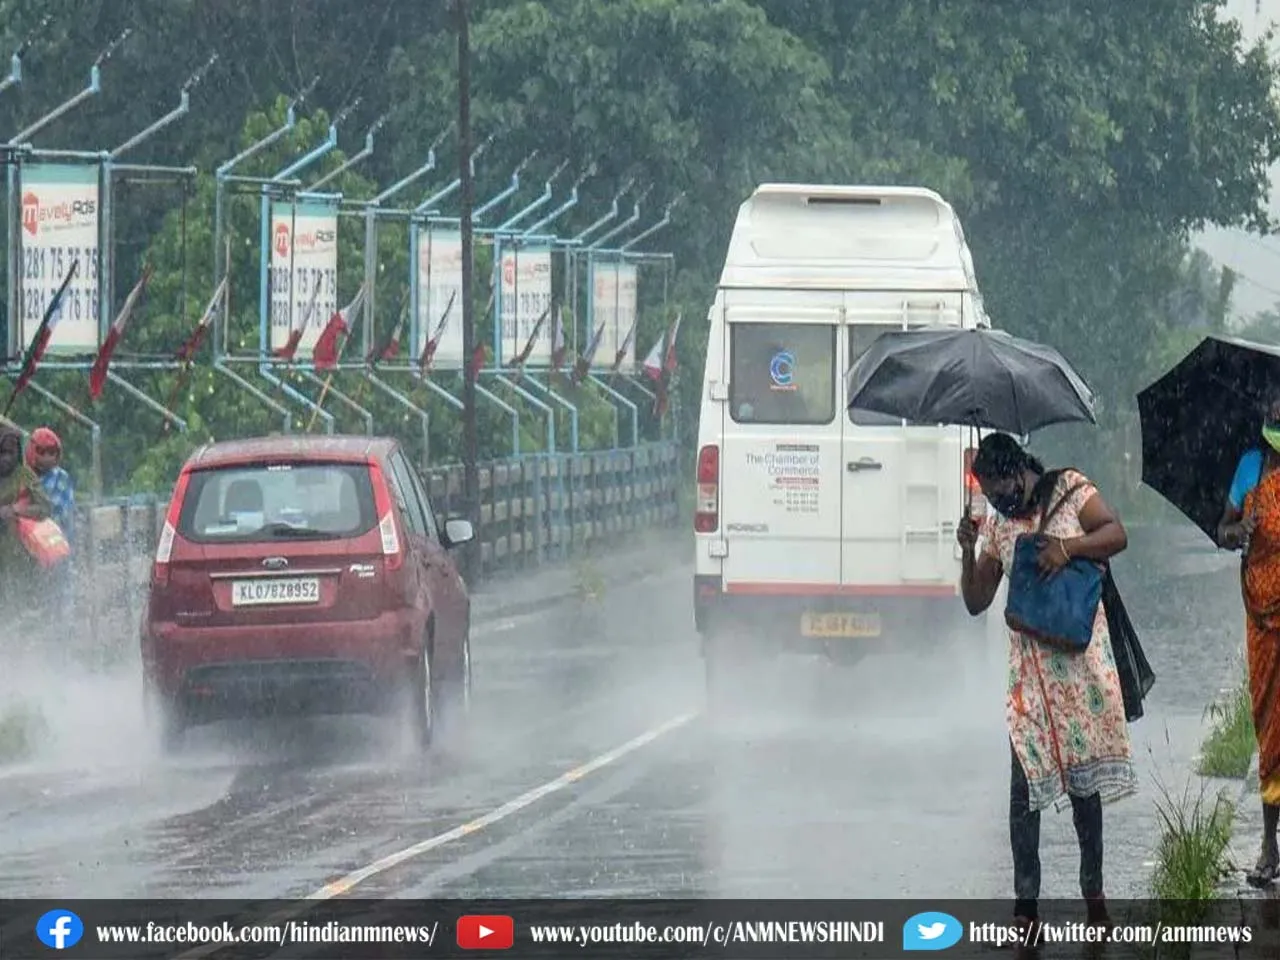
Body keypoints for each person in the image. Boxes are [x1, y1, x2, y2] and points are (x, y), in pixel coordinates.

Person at [956, 432, 1135, 936]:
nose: (997, 501)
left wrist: (1067, 547)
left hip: (1077, 671)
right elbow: (976, 602)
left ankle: (1093, 894)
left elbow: (1116, 533)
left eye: (1001, 490)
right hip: (1029, 679)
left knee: (1084, 791)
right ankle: (1025, 906)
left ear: (1019, 472)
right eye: (989, 495)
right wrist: (969, 553)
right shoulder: (997, 527)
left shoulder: (1071, 491)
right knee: (1023, 791)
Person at [1218, 392, 1280, 887]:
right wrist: (1240, 529)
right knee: (1271, 729)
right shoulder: (1250, 468)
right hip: (1262, 617)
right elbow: (1223, 529)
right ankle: (1269, 846)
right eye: (1272, 407)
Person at [0, 426, 54, 621]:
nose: (5, 458)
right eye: (1, 452)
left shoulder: (25, 476)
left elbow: (45, 508)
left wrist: (15, 510)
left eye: (10, 453)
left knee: (21, 608)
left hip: (20, 553)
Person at [25, 426, 74, 542]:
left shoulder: (61, 477)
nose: (46, 457)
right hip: (29, 534)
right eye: (41, 452)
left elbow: (59, 512)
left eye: (51, 452)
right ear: (31, 451)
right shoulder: (23, 476)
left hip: (56, 535)